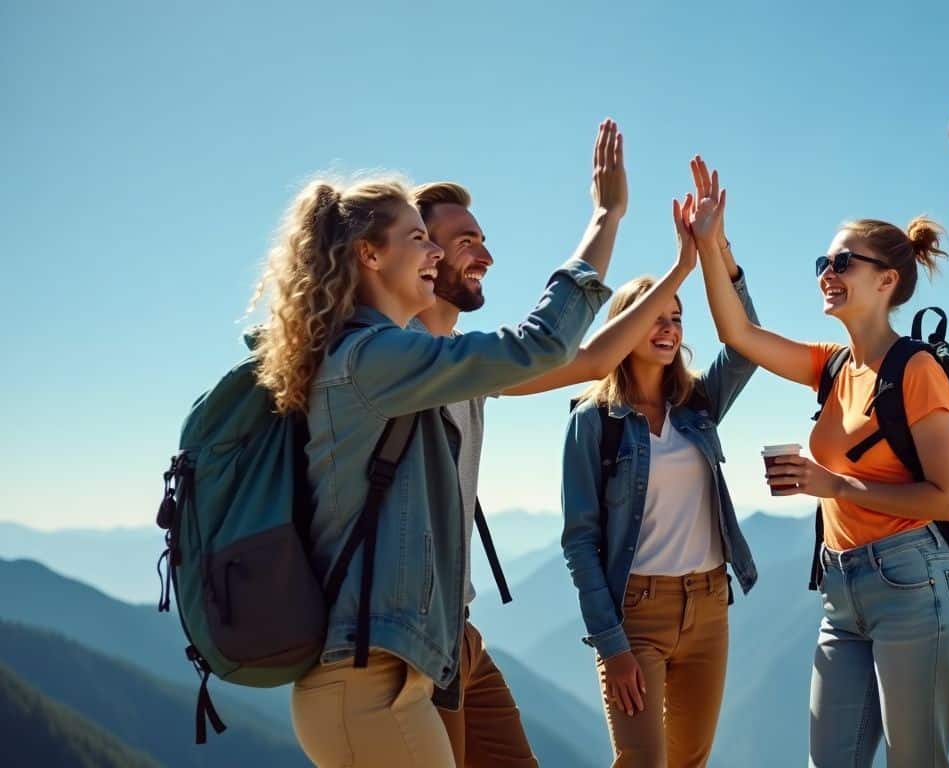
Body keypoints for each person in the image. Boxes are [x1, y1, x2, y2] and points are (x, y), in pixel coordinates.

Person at [254, 120, 620, 768]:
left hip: (396, 673)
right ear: (369, 255)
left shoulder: (399, 361)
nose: (432, 255)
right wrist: (605, 217)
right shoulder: (371, 359)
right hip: (366, 688)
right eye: (418, 238)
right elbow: (539, 345)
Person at [410, 125, 708, 767]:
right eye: (466, 241)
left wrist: (683, 268)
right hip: (410, 639)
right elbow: (547, 340)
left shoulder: (463, 365)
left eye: (484, 240)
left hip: (455, 635)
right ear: (419, 255)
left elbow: (596, 355)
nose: (485, 254)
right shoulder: (402, 364)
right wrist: (606, 215)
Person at [687, 158, 949, 767]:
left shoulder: (917, 371)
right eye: (823, 263)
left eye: (843, 262)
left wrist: (834, 484)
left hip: (913, 585)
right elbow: (739, 334)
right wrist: (714, 246)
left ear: (887, 281)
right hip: (841, 588)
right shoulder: (833, 365)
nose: (827, 274)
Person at [560, 186, 759, 768]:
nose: (669, 328)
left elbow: (746, 347)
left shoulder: (697, 404)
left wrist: (718, 249)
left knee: (689, 761)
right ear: (625, 327)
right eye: (654, 317)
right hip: (636, 613)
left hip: (709, 603)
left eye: (676, 317)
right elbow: (579, 541)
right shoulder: (592, 421)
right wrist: (611, 644)